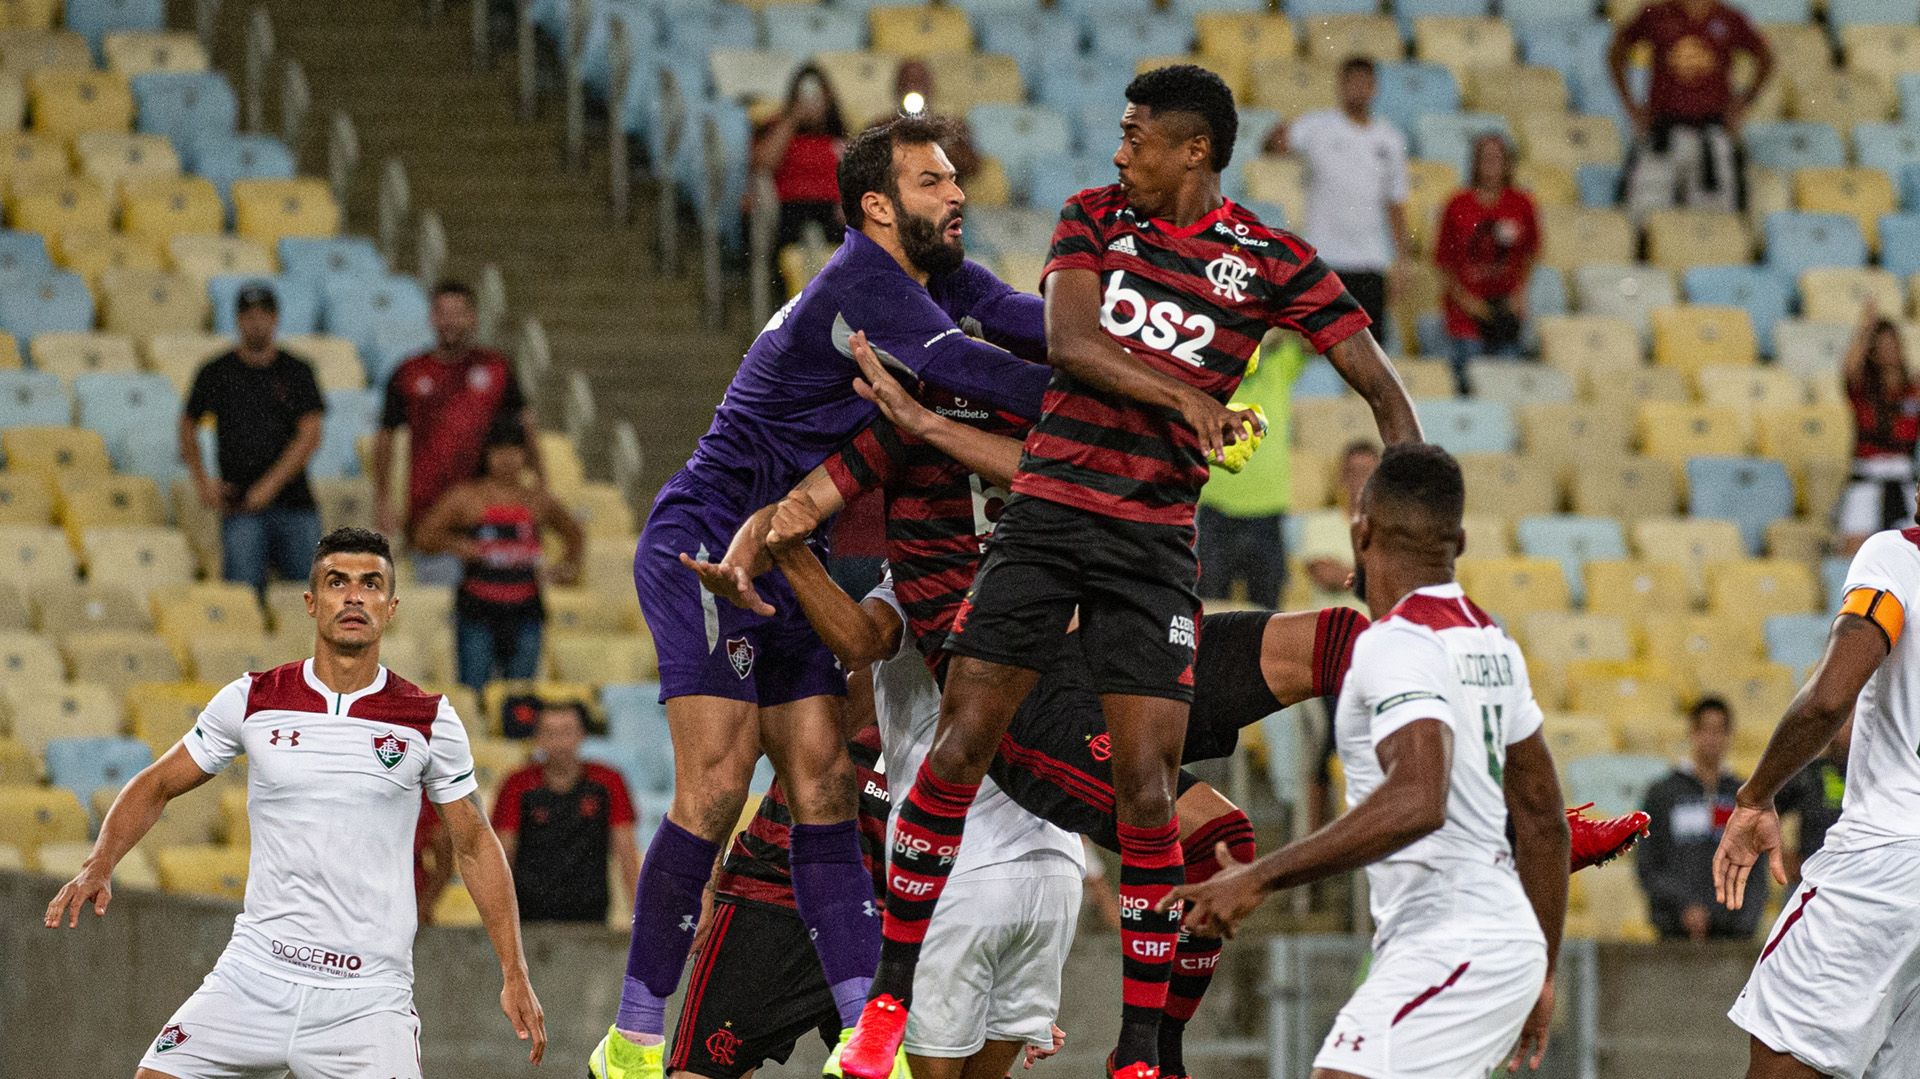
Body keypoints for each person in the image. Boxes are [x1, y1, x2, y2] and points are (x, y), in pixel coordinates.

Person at [834, 64, 1422, 1079]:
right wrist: (1183, 400)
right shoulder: (1093, 217)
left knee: (1150, 788)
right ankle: (889, 996)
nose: (1120, 151)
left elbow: (1377, 379)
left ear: (1193, 150)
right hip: (1052, 513)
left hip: (1152, 545)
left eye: (1138, 135)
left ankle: (1145, 1048)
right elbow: (1068, 341)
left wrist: (1405, 487)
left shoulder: (1271, 259)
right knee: (962, 738)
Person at [601, 112, 1131, 1079]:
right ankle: (633, 1039)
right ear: (878, 206)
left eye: (955, 178)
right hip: (714, 536)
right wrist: (1121, 408)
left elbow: (1033, 324)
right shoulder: (863, 286)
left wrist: (1147, 357)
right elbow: (970, 373)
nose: (957, 193)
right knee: (718, 786)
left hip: (791, 541)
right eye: (933, 182)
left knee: (826, 784)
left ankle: (860, 1026)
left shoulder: (937, 279)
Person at [44, 526, 546, 1075]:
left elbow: (474, 844)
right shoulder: (253, 698)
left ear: (392, 606)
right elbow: (157, 783)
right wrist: (100, 862)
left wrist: (513, 969)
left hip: (366, 997)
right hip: (253, 977)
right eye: (337, 582)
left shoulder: (429, 719)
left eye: (371, 584)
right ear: (311, 602)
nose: (354, 596)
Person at [1165, 443, 1570, 1079]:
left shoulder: (1394, 645)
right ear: (1458, 540)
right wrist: (1542, 969)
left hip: (1454, 940)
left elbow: (1418, 798)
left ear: (1361, 530)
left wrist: (1256, 876)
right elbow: (1545, 820)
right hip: (1494, 941)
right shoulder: (1494, 643)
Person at [1715, 517, 1920, 1079]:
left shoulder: (1896, 557)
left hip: (1886, 863)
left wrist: (1756, 796)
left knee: (1783, 1065)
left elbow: (1830, 699)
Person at [372, 280, 542, 586]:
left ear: (473, 318)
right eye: (442, 313)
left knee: (501, 604)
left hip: (490, 515)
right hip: (431, 518)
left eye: (458, 313)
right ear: (432, 318)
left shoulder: (497, 368)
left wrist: (541, 481)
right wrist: (382, 497)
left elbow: (525, 427)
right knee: (444, 613)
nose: (450, 321)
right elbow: (385, 437)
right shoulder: (408, 372)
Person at [412, 421, 584, 692]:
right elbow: (423, 536)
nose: (507, 459)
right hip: (478, 610)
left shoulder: (537, 500)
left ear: (524, 455)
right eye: (499, 451)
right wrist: (460, 546)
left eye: (514, 451)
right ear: (486, 455)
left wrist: (566, 567)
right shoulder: (466, 498)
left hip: (526, 610)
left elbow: (573, 533)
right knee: (474, 693)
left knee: (519, 696)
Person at [179, 283, 326, 595]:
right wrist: (202, 480)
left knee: (310, 597)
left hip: (294, 503)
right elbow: (187, 423)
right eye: (249, 316)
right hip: (240, 504)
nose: (256, 322)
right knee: (243, 598)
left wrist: (271, 484)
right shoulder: (216, 371)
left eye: (263, 315)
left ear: (275, 319)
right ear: (237, 320)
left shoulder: (297, 370)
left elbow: (311, 433)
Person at [1272, 57, 1411, 337]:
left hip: (1371, 260)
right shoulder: (1316, 126)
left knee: (1368, 348)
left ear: (1375, 87)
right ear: (1341, 85)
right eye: (1352, 82)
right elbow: (1275, 144)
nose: (1358, 89)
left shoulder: (1390, 139)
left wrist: (1403, 260)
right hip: (1325, 258)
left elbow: (1395, 203)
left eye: (1365, 82)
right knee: (1316, 341)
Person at [1610, 0, 1773, 218]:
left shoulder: (1729, 18)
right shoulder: (1657, 14)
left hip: (1711, 134)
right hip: (1662, 133)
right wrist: (1631, 105)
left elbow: (1764, 56)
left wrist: (1744, 102)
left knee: (1713, 223)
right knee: (1642, 216)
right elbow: (1618, 49)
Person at [490, 700, 640, 924]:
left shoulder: (609, 781)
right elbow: (503, 857)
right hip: (528, 919)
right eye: (550, 733)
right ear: (537, 738)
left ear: (582, 734)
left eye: (567, 732)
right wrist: (499, 923)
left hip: (592, 917)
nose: (559, 742)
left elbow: (626, 853)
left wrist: (640, 921)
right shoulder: (516, 784)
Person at [1638, 698, 1769, 940]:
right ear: (1693, 733)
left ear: (1729, 736)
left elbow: (1756, 866)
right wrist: (1683, 907)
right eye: (1706, 730)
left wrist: (1743, 921)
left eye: (1720, 730)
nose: (1713, 738)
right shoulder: (1662, 794)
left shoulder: (1743, 796)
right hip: (1674, 934)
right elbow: (1648, 864)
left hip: (1733, 935)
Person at [1197, 331, 1310, 608]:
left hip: (1267, 514)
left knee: (1268, 616)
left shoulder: (1279, 364)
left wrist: (1273, 332)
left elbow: (1311, 338)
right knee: (1210, 612)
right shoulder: (1211, 373)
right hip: (1216, 511)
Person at [1433, 133, 1540, 394]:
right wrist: (1465, 299)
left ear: (1508, 163)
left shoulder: (1522, 204)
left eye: (1498, 157)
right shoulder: (1457, 204)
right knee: (1470, 383)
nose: (1491, 163)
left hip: (1506, 310)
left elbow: (1531, 252)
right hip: (1465, 312)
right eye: (1485, 157)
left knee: (1505, 387)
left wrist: (1519, 293)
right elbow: (1442, 261)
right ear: (1475, 162)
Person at [1839, 301, 1920, 553]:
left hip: (1903, 479)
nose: (1888, 350)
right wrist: (1864, 330)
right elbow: (1848, 371)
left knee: (1910, 554)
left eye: (1892, 344)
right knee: (1855, 550)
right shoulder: (1863, 390)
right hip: (1867, 478)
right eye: (1881, 345)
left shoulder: (1913, 390)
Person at [751, 64, 848, 252]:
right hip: (789, 208)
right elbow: (763, 164)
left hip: (831, 211)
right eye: (804, 96)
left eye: (816, 96)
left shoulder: (839, 137)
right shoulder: (777, 127)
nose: (811, 103)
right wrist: (793, 118)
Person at [1773, 719, 1849, 883]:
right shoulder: (1809, 771)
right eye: (1842, 720)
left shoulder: (1871, 775)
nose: (1845, 727)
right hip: (1808, 875)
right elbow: (1772, 810)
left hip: (1853, 877)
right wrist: (1785, 855)